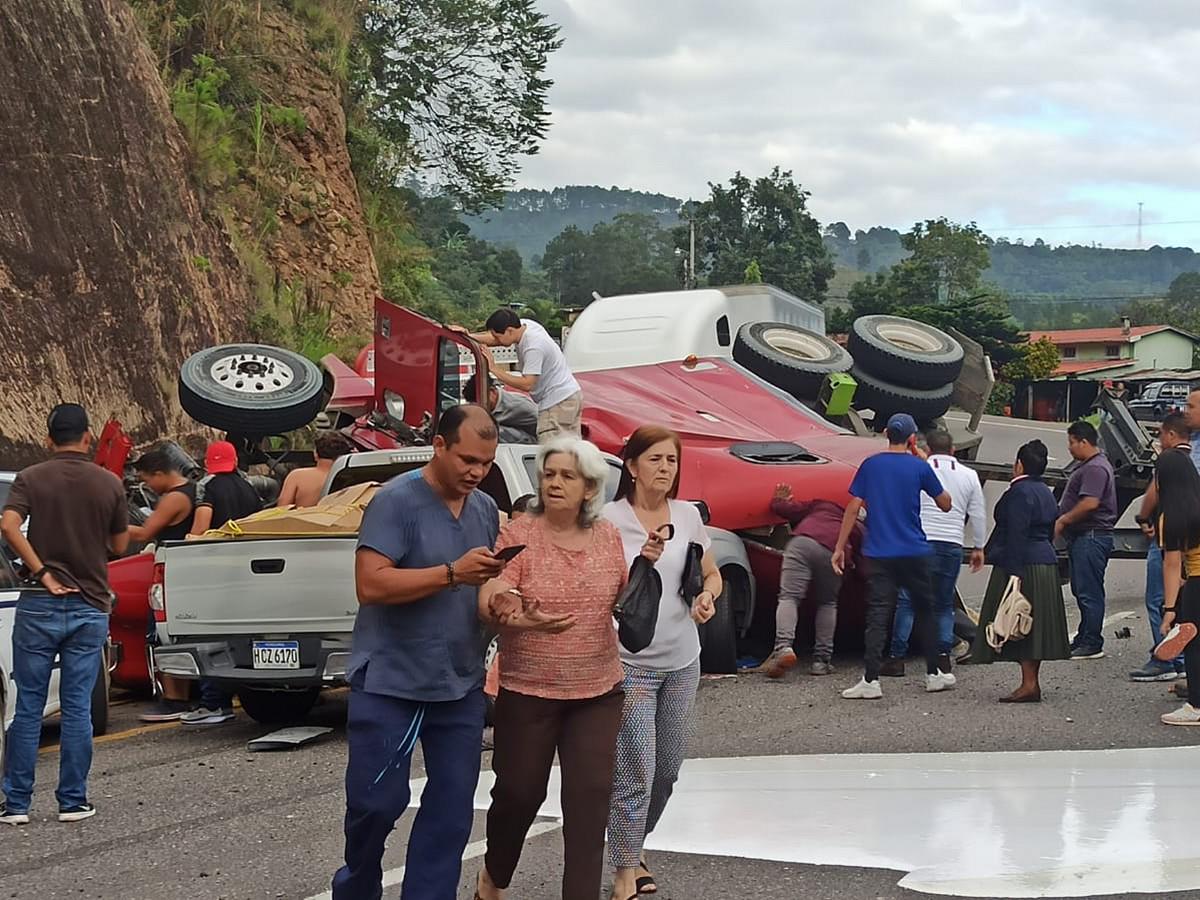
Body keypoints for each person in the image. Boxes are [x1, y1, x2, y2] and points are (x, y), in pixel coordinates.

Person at [331, 405, 507, 900]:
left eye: (486, 464)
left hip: (460, 683)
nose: (476, 472)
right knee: (375, 804)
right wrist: (452, 572)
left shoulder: (484, 509)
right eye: (467, 459)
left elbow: (482, 587)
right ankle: (357, 885)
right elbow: (371, 584)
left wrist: (506, 604)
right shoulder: (396, 502)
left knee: (452, 813)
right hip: (392, 681)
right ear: (438, 445)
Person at [475, 437, 628, 900]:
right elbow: (492, 591)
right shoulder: (519, 532)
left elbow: (622, 596)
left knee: (589, 802)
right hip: (528, 690)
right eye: (549, 474)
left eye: (567, 476)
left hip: (598, 690)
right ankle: (493, 877)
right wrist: (512, 610)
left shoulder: (608, 535)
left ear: (589, 488)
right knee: (519, 795)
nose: (555, 482)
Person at [603, 425, 722, 900]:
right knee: (636, 770)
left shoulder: (689, 516)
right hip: (630, 662)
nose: (664, 469)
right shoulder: (609, 520)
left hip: (682, 659)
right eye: (654, 460)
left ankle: (635, 847)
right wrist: (643, 563)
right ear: (631, 466)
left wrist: (708, 597)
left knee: (667, 770)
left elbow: (710, 574)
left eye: (671, 461)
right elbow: (604, 593)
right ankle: (624, 874)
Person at [0, 404, 129, 825]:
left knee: (28, 709)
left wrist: (40, 570)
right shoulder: (108, 483)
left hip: (39, 600)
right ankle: (72, 801)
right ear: (89, 437)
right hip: (90, 603)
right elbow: (120, 545)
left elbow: (8, 525)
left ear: (48, 439)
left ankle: (16, 804)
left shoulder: (31, 478)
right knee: (76, 708)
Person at [832, 413, 953, 700]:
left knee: (878, 614)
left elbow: (853, 507)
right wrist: (925, 464)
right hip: (914, 550)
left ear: (886, 433)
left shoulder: (871, 465)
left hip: (879, 552)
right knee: (926, 610)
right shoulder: (918, 467)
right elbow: (946, 504)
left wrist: (839, 547)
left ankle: (871, 679)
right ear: (912, 438)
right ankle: (934, 673)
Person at [880, 430, 986, 677]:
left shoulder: (919, 470)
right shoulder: (969, 475)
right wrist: (979, 547)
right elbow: (978, 514)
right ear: (953, 451)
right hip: (951, 545)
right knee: (943, 604)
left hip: (919, 542)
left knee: (907, 602)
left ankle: (896, 658)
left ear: (929, 448)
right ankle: (942, 658)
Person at [970, 440, 1070, 701]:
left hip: (1023, 563)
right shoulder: (1046, 492)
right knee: (1031, 625)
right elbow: (1050, 529)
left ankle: (1029, 685)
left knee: (1018, 620)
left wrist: (1013, 571)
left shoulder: (1019, 493)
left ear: (1019, 465)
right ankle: (1031, 682)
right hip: (1045, 561)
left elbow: (1015, 533)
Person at [182, 441, 264, 726]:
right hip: (248, 568)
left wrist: (189, 540)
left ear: (208, 463)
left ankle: (214, 702)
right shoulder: (249, 486)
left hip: (216, 568)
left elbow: (201, 528)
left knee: (209, 635)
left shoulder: (207, 486)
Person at [128, 447, 198, 723]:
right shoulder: (196, 491)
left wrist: (107, 526)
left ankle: (174, 698)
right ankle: (186, 694)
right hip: (188, 572)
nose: (147, 486)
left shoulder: (173, 499)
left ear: (159, 474)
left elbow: (145, 532)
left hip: (170, 572)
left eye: (147, 480)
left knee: (161, 632)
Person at [761, 483, 862, 677]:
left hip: (803, 543)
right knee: (828, 603)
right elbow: (865, 562)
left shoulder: (823, 505)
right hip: (835, 553)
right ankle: (821, 661)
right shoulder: (858, 526)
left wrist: (779, 500)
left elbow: (787, 509)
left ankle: (783, 648)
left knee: (789, 597)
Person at [1130, 413, 1193, 682]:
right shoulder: (1189, 465)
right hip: (1193, 545)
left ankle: (1166, 658)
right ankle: (1182, 663)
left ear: (1169, 434)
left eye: (1160, 435)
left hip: (1171, 541)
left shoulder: (1167, 461)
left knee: (1159, 600)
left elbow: (1153, 492)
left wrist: (1144, 517)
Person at [467, 308, 583, 440]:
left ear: (509, 330)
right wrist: (468, 336)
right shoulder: (524, 325)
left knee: (551, 449)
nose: (495, 340)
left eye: (497, 336)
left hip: (556, 403)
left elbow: (528, 384)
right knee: (571, 448)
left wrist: (494, 369)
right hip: (570, 395)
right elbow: (497, 338)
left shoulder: (533, 347)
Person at [1055, 420, 1117, 660]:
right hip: (1085, 537)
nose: (1069, 448)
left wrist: (1063, 520)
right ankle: (1084, 636)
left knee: (1089, 590)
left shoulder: (1094, 469)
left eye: (1071, 442)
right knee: (1082, 589)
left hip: (1091, 536)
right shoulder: (1090, 465)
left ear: (1084, 441)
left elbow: (1090, 503)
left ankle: (1092, 642)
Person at [1152, 450, 1200, 725]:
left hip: (1197, 579)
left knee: (1194, 644)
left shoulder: (1172, 514)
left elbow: (1172, 565)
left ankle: (1196, 705)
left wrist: (1170, 610)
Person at [278, 431, 353, 508]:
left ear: (316, 454)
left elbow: (282, 509)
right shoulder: (352, 479)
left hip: (303, 519)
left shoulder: (297, 476)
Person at [464, 375, 539, 444]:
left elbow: (543, 420)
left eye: (482, 401)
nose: (481, 406)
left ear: (492, 391)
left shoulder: (520, 405)